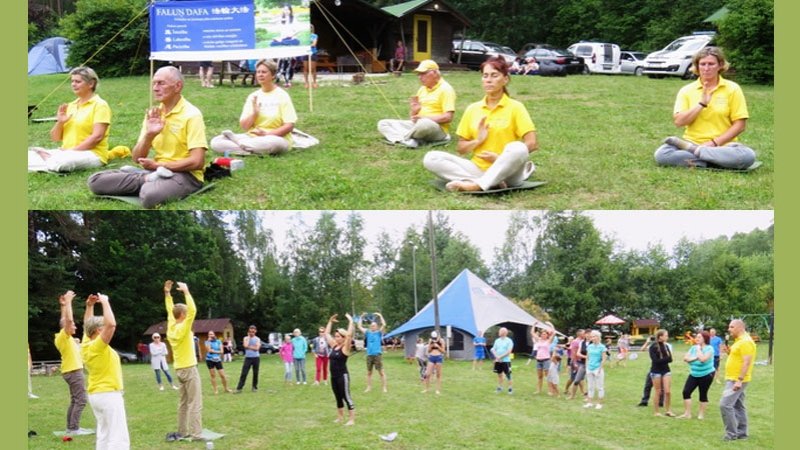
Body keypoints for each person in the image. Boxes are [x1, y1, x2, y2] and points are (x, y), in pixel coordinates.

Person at [88, 66, 207, 208]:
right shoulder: (154, 114)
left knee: (149, 195)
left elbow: (197, 161)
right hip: (154, 172)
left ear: (177, 86)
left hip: (185, 175)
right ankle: (148, 178)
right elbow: (136, 157)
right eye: (154, 83)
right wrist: (149, 135)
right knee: (95, 181)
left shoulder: (192, 115)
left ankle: (144, 179)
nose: (155, 88)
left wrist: (159, 165)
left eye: (161, 83)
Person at [423, 56, 538, 192]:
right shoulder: (473, 109)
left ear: (505, 79)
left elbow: (532, 143)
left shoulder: (516, 107)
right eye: (485, 76)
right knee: (431, 158)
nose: (488, 80)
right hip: (477, 168)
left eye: (494, 76)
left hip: (509, 173)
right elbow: (461, 148)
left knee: (518, 147)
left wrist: (500, 159)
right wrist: (478, 140)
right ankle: (491, 182)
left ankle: (478, 185)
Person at [654, 47, 756, 169]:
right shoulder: (686, 90)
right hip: (691, 142)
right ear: (697, 66)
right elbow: (679, 122)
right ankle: (717, 161)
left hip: (724, 146)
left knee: (748, 156)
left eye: (711, 64)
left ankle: (697, 153)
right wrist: (701, 104)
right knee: (662, 155)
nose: (706, 68)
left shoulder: (733, 88)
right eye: (702, 64)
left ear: (720, 65)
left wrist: (713, 143)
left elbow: (740, 125)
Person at [28, 66, 111, 172]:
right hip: (66, 152)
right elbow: (55, 138)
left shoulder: (100, 105)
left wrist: (70, 152)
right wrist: (60, 122)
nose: (73, 84)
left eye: (78, 81)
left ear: (91, 84)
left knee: (62, 162)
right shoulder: (71, 106)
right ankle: (50, 161)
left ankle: (48, 160)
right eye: (72, 81)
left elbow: (97, 137)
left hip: (92, 153)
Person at [210, 59, 297, 157]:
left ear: (272, 75)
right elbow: (244, 126)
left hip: (275, 138)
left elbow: (289, 126)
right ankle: (251, 150)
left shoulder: (282, 95)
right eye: (258, 72)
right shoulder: (253, 96)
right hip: (252, 138)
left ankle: (239, 144)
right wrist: (254, 113)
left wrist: (267, 134)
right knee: (216, 141)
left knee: (275, 143)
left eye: (264, 72)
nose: (260, 75)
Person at [81, 293, 130, 449]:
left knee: (104, 434)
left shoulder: (86, 343)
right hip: (108, 395)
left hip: (96, 395)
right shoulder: (97, 346)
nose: (104, 327)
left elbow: (87, 325)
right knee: (118, 436)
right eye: (101, 326)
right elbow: (112, 325)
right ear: (97, 330)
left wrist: (90, 306)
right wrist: (105, 302)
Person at [377, 59, 456, 148]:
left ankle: (404, 139)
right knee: (383, 123)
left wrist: (424, 118)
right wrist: (414, 111)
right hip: (418, 126)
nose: (420, 77)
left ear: (434, 73)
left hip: (436, 128)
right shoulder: (422, 89)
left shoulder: (446, 89)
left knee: (425, 124)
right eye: (419, 74)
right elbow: (413, 118)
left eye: (423, 73)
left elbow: (448, 117)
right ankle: (409, 140)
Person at [163, 280, 203, 441]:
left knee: (183, 402)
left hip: (179, 369)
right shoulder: (182, 327)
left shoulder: (171, 326)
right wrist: (186, 292)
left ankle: (183, 431)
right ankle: (196, 434)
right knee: (195, 402)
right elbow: (193, 310)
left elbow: (169, 309)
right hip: (189, 369)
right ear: (183, 315)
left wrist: (167, 293)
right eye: (185, 313)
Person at [54, 290, 91, 436]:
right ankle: (74, 428)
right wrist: (69, 302)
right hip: (73, 371)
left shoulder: (63, 337)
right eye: (73, 325)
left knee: (75, 400)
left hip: (70, 371)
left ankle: (71, 427)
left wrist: (63, 306)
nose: (75, 326)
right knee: (81, 400)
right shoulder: (64, 336)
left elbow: (64, 320)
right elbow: (67, 321)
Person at [720, 319, 756, 441]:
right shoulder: (738, 341)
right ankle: (742, 433)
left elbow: (746, 362)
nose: (729, 329)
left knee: (725, 405)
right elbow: (738, 357)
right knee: (738, 406)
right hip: (733, 377)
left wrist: (739, 380)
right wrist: (729, 351)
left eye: (731, 327)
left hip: (737, 379)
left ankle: (731, 434)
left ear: (740, 328)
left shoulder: (746, 342)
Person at [323, 313, 356, 425]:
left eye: (338, 336)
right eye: (335, 336)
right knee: (338, 397)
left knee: (346, 397)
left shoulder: (345, 348)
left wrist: (351, 322)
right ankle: (340, 417)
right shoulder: (334, 346)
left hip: (343, 376)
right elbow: (326, 334)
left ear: (343, 337)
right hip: (334, 376)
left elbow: (349, 335)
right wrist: (330, 321)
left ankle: (351, 420)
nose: (335, 338)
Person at [678, 331, 715, 419]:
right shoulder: (693, 348)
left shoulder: (709, 348)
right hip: (694, 373)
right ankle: (687, 414)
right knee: (686, 392)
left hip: (707, 374)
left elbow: (703, 359)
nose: (697, 339)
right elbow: (686, 358)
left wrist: (698, 350)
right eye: (696, 337)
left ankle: (701, 415)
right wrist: (695, 357)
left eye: (699, 337)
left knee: (703, 394)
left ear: (705, 339)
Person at [358, 312, 387, 393]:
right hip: (369, 355)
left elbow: (384, 325)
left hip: (377, 354)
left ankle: (384, 388)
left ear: (377, 327)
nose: (372, 327)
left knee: (381, 372)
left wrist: (381, 316)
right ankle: (368, 387)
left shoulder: (378, 333)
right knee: (369, 373)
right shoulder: (368, 332)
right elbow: (359, 326)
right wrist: (361, 317)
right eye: (371, 325)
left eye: (374, 325)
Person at [649, 329, 674, 417]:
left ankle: (668, 410)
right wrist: (665, 359)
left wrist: (663, 360)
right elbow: (655, 361)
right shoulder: (653, 347)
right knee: (658, 391)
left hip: (666, 370)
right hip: (656, 371)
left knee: (667, 391)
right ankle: (656, 412)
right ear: (660, 337)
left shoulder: (666, 346)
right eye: (666, 335)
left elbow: (670, 359)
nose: (667, 337)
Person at [636, 335, 664, 408]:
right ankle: (644, 401)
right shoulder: (653, 346)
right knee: (648, 386)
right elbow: (642, 349)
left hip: (662, 369)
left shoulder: (665, 345)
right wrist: (647, 342)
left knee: (661, 387)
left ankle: (660, 402)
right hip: (653, 369)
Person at [583, 330, 607, 410]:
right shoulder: (589, 346)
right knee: (590, 386)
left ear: (598, 337)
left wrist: (600, 369)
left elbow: (604, 359)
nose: (592, 338)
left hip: (597, 368)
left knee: (599, 387)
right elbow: (587, 357)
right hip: (589, 368)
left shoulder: (602, 347)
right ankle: (589, 403)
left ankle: (599, 403)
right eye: (591, 336)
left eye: (593, 336)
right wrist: (587, 367)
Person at [236, 325, 261, 392]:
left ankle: (254, 387)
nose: (251, 333)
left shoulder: (257, 339)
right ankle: (239, 388)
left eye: (253, 331)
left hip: (256, 358)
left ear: (255, 331)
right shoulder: (246, 338)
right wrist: (249, 340)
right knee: (244, 373)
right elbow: (245, 345)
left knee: (255, 373)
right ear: (248, 331)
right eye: (250, 331)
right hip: (248, 358)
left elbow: (257, 348)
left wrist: (249, 347)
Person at [491, 327, 514, 394]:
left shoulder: (509, 341)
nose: (499, 332)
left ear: (504, 333)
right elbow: (493, 349)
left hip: (506, 361)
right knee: (499, 375)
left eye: (500, 331)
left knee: (508, 375)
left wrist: (500, 357)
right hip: (498, 361)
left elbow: (509, 351)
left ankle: (510, 389)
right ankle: (500, 388)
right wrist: (497, 357)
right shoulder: (497, 340)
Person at [531, 328, 554, 394]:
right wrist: (534, 325)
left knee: (547, 376)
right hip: (539, 360)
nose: (543, 335)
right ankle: (538, 390)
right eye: (542, 334)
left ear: (547, 335)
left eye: (544, 334)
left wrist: (550, 325)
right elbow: (532, 332)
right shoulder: (538, 340)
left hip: (546, 360)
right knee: (540, 376)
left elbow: (554, 332)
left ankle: (550, 390)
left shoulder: (548, 341)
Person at [568, 329, 588, 400]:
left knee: (579, 378)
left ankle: (583, 392)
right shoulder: (575, 342)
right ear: (579, 334)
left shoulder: (584, 342)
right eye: (584, 333)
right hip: (576, 362)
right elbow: (573, 353)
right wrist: (574, 363)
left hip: (581, 362)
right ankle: (568, 390)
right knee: (574, 378)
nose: (585, 334)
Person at [303, 24, 318, 89]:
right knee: (305, 68)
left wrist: (307, 44)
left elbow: (314, 44)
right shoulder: (304, 36)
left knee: (313, 68)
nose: (309, 29)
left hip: (313, 52)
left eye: (310, 28)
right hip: (305, 52)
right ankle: (306, 82)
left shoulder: (315, 36)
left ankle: (314, 82)